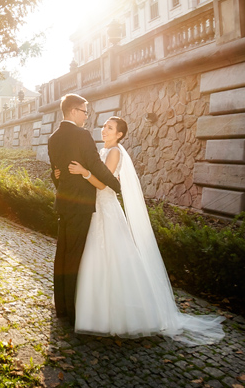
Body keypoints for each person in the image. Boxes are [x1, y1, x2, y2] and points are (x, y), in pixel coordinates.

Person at [64, 116, 224, 345]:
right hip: (95, 208)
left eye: (110, 128)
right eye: (104, 126)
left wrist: (83, 172)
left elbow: (104, 183)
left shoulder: (114, 152)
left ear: (119, 134)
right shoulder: (103, 151)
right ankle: (91, 310)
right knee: (95, 257)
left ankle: (116, 316)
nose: (104, 130)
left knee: (114, 258)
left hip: (107, 209)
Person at [47, 94, 122, 324]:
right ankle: (72, 311)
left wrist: (60, 181)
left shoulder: (53, 138)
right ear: (73, 111)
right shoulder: (82, 135)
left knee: (62, 253)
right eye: (84, 112)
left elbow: (56, 173)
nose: (86, 117)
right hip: (80, 204)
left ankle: (61, 307)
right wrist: (116, 185)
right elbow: (95, 164)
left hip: (64, 202)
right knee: (74, 256)